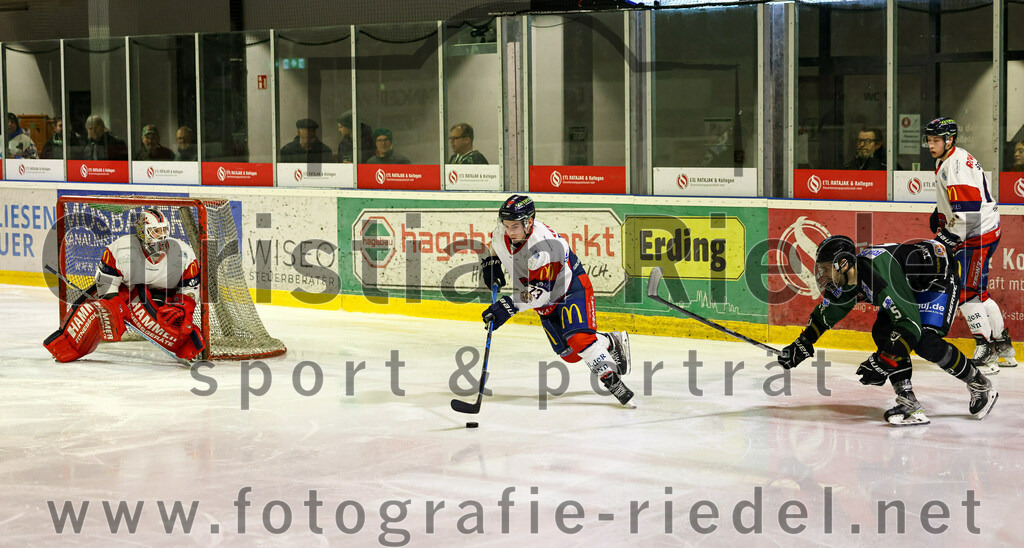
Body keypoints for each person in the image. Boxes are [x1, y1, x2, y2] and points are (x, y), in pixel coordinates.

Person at [779, 235, 997, 426]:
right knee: (884, 334)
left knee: (924, 341)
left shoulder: (879, 276)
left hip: (936, 279)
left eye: (826, 269)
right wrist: (803, 343)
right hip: (908, 283)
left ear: (842, 264)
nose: (822, 275)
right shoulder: (849, 277)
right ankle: (908, 401)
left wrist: (884, 362)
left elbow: (910, 326)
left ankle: (980, 383)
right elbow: (827, 314)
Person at [479, 195, 634, 406]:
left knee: (580, 341)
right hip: (541, 299)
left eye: (514, 226)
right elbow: (495, 243)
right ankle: (610, 341)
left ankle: (614, 385)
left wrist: (508, 306)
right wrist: (491, 261)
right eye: (506, 226)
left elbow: (540, 294)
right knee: (569, 354)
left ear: (529, 222)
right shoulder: (503, 232)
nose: (509, 232)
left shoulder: (544, 247)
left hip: (570, 289)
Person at [43, 209, 205, 363]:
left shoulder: (183, 253)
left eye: (164, 230)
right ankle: (68, 345)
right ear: (143, 231)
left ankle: (185, 344)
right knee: (94, 311)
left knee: (174, 323)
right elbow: (105, 282)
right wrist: (112, 304)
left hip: (165, 298)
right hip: (127, 293)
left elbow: (190, 288)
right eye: (156, 231)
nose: (161, 236)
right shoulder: (121, 249)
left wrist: (184, 307)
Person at [924, 117, 1015, 374]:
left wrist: (949, 238)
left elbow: (968, 211)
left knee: (965, 292)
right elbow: (961, 198)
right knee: (979, 293)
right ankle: (1004, 348)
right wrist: (940, 211)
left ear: (949, 140)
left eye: (936, 140)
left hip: (977, 235)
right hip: (982, 230)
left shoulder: (954, 165)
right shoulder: (952, 158)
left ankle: (986, 352)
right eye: (929, 140)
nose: (931, 145)